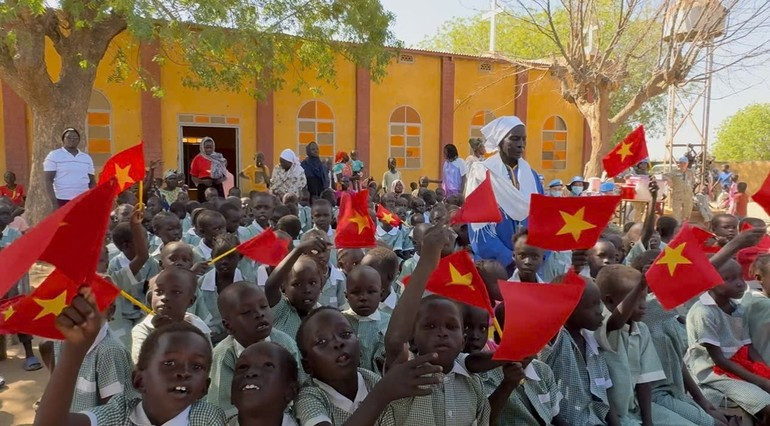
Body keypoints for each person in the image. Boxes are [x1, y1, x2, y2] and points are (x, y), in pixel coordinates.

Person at [34, 293, 227, 426]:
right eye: (169, 363)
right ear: (139, 380)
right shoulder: (119, 415)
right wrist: (74, 351)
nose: (183, 372)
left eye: (196, 366)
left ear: (204, 388)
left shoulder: (207, 418)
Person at [207, 282, 300, 418]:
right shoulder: (224, 355)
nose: (259, 314)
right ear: (228, 326)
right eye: (246, 312)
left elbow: (302, 387)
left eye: (264, 306)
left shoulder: (285, 342)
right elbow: (223, 408)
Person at [464, 116, 544, 270]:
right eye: (514, 139)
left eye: (524, 139)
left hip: (530, 264)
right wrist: (510, 258)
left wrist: (534, 257)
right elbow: (478, 226)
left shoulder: (532, 175)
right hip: (496, 266)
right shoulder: (481, 174)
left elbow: (541, 219)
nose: (521, 144)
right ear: (500, 141)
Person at [44, 127, 95, 208]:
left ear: (79, 140)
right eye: (69, 137)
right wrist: (54, 203)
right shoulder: (54, 155)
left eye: (75, 138)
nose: (72, 140)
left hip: (83, 199)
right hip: (62, 199)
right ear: (63, 139)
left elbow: (92, 182)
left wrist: (93, 199)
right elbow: (48, 180)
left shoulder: (86, 158)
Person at [190, 136, 228, 202]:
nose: (209, 149)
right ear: (202, 147)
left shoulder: (219, 158)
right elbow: (193, 177)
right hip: (203, 187)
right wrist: (203, 182)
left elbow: (224, 174)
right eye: (207, 147)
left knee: (219, 205)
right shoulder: (197, 159)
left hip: (217, 186)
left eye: (211, 147)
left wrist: (219, 180)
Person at [665, 156, 695, 223]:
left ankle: (685, 226)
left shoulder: (690, 172)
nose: (682, 164)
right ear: (679, 164)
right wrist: (669, 180)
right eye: (681, 163)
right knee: (676, 213)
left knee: (687, 212)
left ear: (687, 164)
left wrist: (691, 188)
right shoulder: (674, 172)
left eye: (684, 163)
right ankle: (677, 226)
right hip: (677, 195)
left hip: (688, 195)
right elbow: (664, 176)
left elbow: (693, 181)